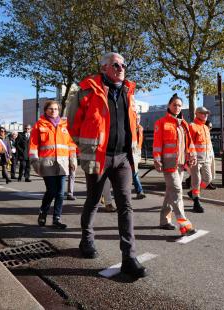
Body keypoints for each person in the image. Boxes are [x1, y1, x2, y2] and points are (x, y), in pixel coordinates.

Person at [67, 52, 146, 278]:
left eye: (123, 64)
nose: (121, 68)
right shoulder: (85, 91)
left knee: (126, 205)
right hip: (98, 158)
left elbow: (132, 125)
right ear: (103, 68)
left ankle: (129, 258)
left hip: (123, 158)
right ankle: (87, 240)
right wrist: (86, 150)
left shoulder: (129, 91)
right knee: (93, 200)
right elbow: (72, 125)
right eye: (115, 64)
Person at [153, 94, 197, 235]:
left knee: (170, 193)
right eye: (174, 105)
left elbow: (189, 143)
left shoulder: (184, 123)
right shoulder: (161, 122)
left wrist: (192, 155)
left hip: (180, 164)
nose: (177, 107)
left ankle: (164, 221)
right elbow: (157, 144)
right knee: (177, 191)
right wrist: (157, 159)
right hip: (169, 164)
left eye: (179, 105)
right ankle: (184, 224)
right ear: (169, 106)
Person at [29, 100, 77, 229]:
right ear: (45, 110)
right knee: (51, 191)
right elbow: (33, 145)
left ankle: (56, 219)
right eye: (51, 108)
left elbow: (71, 144)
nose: (54, 111)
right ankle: (43, 212)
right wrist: (35, 161)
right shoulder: (39, 125)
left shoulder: (65, 125)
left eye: (56, 109)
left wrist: (73, 159)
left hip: (62, 163)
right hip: (47, 163)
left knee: (61, 193)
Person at [187, 106, 214, 213]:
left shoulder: (206, 128)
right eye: (203, 113)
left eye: (206, 113)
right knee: (196, 181)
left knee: (208, 179)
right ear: (196, 114)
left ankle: (193, 193)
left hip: (206, 159)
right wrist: (189, 157)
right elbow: (188, 144)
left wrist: (211, 156)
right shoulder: (192, 126)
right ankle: (196, 202)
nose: (205, 115)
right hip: (196, 159)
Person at [132, 113, 146, 199]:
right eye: (136, 118)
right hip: (130, 153)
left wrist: (139, 155)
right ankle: (140, 191)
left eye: (139, 119)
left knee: (133, 173)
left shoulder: (140, 128)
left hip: (136, 153)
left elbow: (139, 143)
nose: (137, 120)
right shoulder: (130, 128)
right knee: (134, 173)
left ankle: (104, 193)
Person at [204, 120, 216, 190]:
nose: (211, 128)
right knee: (207, 172)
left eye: (211, 127)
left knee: (211, 169)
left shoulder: (208, 133)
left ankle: (209, 182)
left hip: (210, 154)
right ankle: (207, 184)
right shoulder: (204, 133)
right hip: (206, 156)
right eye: (210, 127)